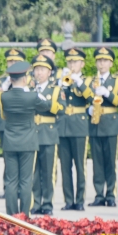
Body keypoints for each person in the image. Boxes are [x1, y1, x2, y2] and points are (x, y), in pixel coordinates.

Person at [0, 61, 49, 218]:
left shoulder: (4, 96)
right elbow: (46, 106)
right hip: (28, 142)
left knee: (11, 181)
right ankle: (24, 215)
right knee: (26, 181)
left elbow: (3, 114)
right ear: (25, 79)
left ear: (11, 79)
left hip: (10, 142)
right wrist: (38, 94)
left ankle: (11, 215)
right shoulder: (32, 96)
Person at [88, 47, 118, 207]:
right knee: (97, 163)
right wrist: (88, 110)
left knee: (110, 162)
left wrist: (108, 94)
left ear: (111, 63)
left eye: (105, 60)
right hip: (95, 124)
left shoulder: (117, 82)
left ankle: (111, 194)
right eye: (99, 60)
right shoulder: (90, 81)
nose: (101, 63)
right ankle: (99, 194)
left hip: (110, 125)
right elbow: (84, 100)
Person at [30, 55, 65, 216]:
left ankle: (48, 203)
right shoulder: (30, 90)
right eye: (37, 69)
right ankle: (35, 202)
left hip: (48, 134)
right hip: (32, 133)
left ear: (50, 72)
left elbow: (62, 109)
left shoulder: (56, 90)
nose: (39, 73)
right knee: (34, 172)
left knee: (48, 171)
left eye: (42, 69)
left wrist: (46, 103)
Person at [58, 48, 92, 211]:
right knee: (65, 167)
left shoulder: (87, 81)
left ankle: (79, 200)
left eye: (75, 62)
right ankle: (68, 200)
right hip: (63, 127)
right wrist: (60, 85)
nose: (72, 65)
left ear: (82, 64)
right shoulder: (62, 79)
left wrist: (79, 82)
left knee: (80, 166)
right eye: (70, 61)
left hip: (79, 127)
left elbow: (91, 97)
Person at [0, 48, 29, 199]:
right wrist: (2, 88)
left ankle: (21, 190)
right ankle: (8, 188)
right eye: (10, 61)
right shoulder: (1, 82)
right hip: (6, 125)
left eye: (16, 61)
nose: (12, 63)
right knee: (8, 160)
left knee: (24, 162)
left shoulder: (27, 82)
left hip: (23, 127)